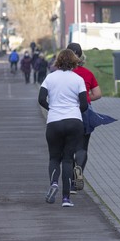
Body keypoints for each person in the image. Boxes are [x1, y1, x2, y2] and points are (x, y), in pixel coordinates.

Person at [38, 49, 88, 207]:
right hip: (74, 121)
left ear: (58, 61)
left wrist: (52, 108)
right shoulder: (78, 79)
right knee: (68, 159)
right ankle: (66, 199)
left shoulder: (50, 78)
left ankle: (53, 183)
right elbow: (85, 104)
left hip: (54, 121)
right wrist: (74, 112)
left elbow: (40, 99)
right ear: (75, 62)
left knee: (54, 158)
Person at [65, 42, 102, 192]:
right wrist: (86, 97)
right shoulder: (87, 73)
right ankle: (78, 173)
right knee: (82, 147)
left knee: (68, 148)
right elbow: (98, 94)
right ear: (80, 56)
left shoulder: (60, 74)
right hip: (85, 111)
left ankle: (70, 182)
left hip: (67, 112)